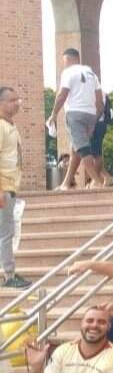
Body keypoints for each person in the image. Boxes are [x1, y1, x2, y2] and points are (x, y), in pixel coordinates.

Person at [47, 48, 105, 189]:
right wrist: (94, 120)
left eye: (64, 61)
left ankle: (97, 181)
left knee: (83, 149)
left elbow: (62, 95)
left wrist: (53, 114)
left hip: (75, 114)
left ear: (67, 59)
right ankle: (66, 183)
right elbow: (100, 102)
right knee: (75, 149)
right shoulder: (91, 73)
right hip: (91, 114)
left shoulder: (68, 72)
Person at [0, 86, 29, 288]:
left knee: (7, 231)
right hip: (4, 186)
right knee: (5, 232)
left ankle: (9, 272)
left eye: (18, 100)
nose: (17, 103)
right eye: (12, 100)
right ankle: (9, 275)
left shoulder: (11, 126)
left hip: (11, 186)